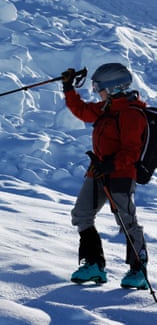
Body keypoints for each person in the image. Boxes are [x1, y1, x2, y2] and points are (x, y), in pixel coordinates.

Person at [62, 63, 149, 289]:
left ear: (112, 88)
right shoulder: (106, 109)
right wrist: (68, 88)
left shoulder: (131, 114)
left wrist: (111, 166)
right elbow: (82, 110)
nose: (96, 92)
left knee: (126, 221)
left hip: (119, 175)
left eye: (99, 88)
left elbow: (132, 151)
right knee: (81, 214)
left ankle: (138, 269)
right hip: (97, 173)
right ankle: (94, 265)